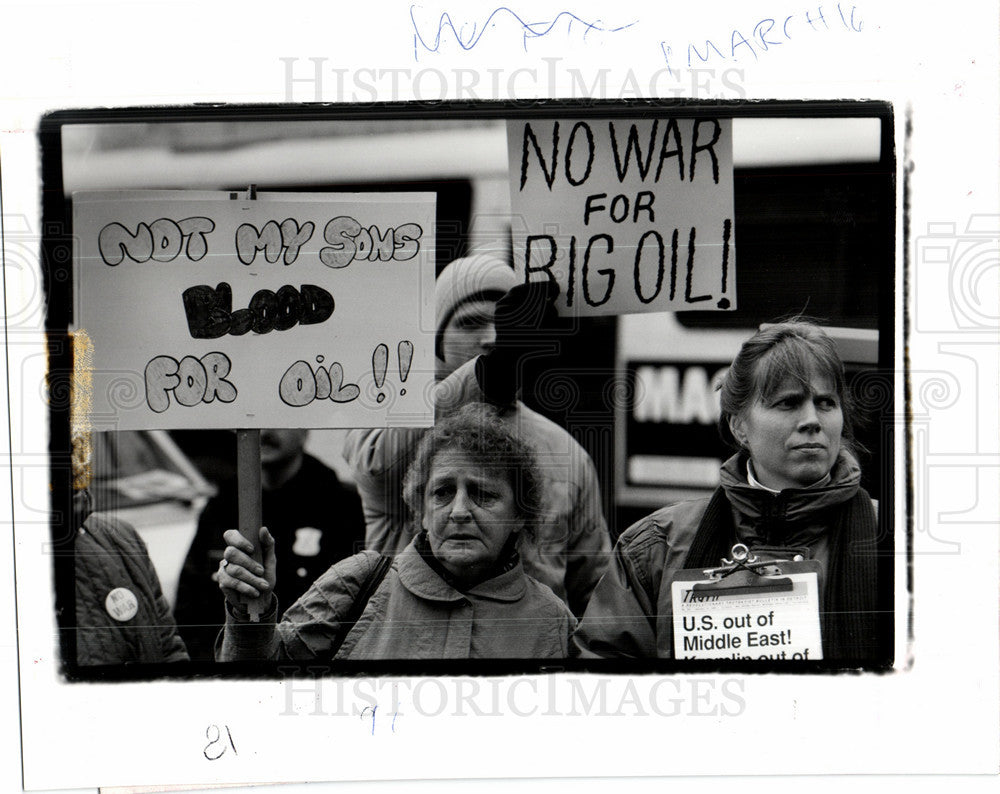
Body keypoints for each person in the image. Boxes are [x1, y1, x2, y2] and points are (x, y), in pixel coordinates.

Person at [574, 320, 879, 661]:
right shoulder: (655, 547)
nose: (812, 419)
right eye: (788, 403)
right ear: (739, 426)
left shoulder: (897, 541)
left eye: (826, 403)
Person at [343, 254, 611, 616]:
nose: (491, 338)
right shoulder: (390, 419)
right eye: (470, 324)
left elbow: (596, 596)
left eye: (505, 324)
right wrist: (488, 374)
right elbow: (376, 464)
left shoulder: (566, 451)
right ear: (435, 339)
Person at [216, 404, 576, 660]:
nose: (460, 511)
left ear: (519, 516)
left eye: (483, 494)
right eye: (443, 492)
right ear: (420, 511)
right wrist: (253, 613)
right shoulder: (358, 583)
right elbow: (257, 687)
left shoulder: (554, 622)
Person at [174, 428, 365, 661]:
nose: (264, 432)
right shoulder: (222, 506)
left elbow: (354, 615)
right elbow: (190, 613)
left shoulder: (341, 506)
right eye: (255, 420)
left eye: (279, 418)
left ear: (305, 429)